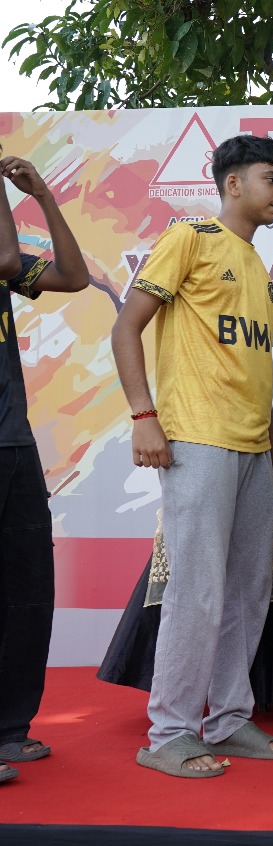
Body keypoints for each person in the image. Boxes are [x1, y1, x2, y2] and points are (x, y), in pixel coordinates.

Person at [111, 135, 273, 778]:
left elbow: (254, 372)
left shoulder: (256, 266)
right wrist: (144, 416)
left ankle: (229, 719)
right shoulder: (190, 237)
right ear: (232, 183)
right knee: (197, 589)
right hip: (196, 437)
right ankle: (170, 731)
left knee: (247, 592)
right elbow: (126, 326)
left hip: (252, 446)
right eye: (271, 179)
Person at [0, 152, 90, 783]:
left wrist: (45, 198)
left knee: (27, 588)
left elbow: (73, 277)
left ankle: (9, 727)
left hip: (12, 442)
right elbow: (9, 258)